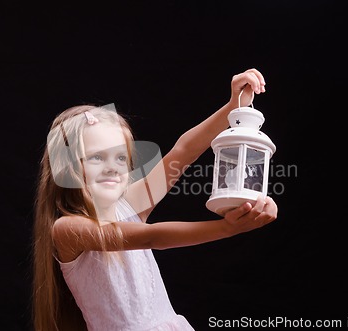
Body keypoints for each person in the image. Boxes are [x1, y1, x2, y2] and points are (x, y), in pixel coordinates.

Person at [32, 68, 278, 331]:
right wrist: (226, 228)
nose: (112, 167)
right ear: (66, 167)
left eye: (119, 157)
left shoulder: (129, 205)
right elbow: (151, 237)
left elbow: (184, 152)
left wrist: (232, 108)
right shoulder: (68, 229)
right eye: (96, 157)